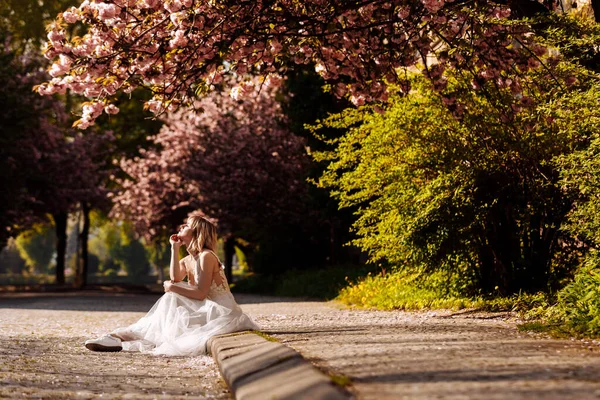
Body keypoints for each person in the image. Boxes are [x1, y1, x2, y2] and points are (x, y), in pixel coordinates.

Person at [84, 213, 259, 356]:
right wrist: (174, 248)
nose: (181, 226)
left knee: (171, 297)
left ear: (197, 232)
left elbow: (200, 293)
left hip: (220, 311)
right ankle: (117, 337)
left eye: (187, 225)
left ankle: (117, 337)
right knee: (166, 308)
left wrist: (172, 287)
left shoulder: (206, 256)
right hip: (204, 309)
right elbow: (175, 276)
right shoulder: (190, 259)